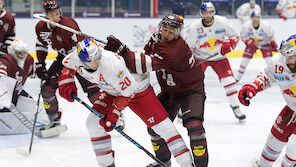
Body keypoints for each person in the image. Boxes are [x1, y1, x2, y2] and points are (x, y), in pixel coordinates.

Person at [58, 38, 195, 167]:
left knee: (164, 128)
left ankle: (187, 164)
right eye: (92, 60)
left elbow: (128, 92)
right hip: (112, 91)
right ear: (83, 60)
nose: (97, 60)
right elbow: (67, 66)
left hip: (137, 89)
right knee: (93, 125)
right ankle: (107, 164)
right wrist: (66, 81)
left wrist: (114, 113)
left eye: (98, 55)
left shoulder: (112, 64)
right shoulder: (76, 57)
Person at [105, 13, 208, 167]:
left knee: (195, 128)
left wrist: (123, 51)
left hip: (191, 91)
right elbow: (146, 55)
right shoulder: (158, 38)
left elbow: (140, 65)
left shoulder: (174, 51)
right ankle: (163, 162)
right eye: (164, 29)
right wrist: (125, 53)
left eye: (171, 32)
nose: (166, 34)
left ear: (177, 33)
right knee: (155, 128)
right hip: (170, 91)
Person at [35, 0, 104, 134]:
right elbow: (41, 45)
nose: (55, 17)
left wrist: (68, 76)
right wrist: (40, 64)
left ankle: (114, 117)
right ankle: (54, 121)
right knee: (47, 89)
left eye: (56, 13)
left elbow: (77, 54)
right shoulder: (40, 27)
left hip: (81, 59)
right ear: (46, 15)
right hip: (62, 58)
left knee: (93, 91)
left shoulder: (68, 25)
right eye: (51, 14)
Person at [238, 34, 296, 167]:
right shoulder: (279, 62)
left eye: (292, 57)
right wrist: (252, 87)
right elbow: (268, 76)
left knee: (294, 148)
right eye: (287, 57)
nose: (288, 61)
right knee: (274, 139)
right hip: (292, 107)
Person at [184, 1, 246, 121]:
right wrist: (189, 62)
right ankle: (185, 108)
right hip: (201, 57)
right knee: (192, 84)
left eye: (210, 12)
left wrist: (230, 45)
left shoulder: (222, 22)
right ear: (201, 13)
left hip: (219, 57)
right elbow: (189, 47)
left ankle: (235, 107)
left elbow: (234, 36)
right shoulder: (194, 27)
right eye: (205, 12)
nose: (208, 15)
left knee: (229, 81)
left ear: (214, 12)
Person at [0, 39, 47, 134]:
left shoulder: (28, 60)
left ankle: (51, 120)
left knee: (33, 105)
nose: (22, 56)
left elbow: (33, 74)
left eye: (24, 53)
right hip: (3, 95)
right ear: (12, 52)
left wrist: (42, 72)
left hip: (16, 93)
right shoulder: (6, 61)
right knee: (7, 117)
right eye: (19, 53)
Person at [236, 10, 278, 82]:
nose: (255, 19)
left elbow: (271, 35)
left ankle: (276, 78)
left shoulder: (265, 25)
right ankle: (237, 78)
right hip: (252, 44)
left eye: (257, 17)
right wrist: (249, 43)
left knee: (270, 61)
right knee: (244, 61)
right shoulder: (247, 26)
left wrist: (273, 43)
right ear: (251, 18)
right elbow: (242, 36)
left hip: (265, 44)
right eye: (254, 17)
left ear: (259, 17)